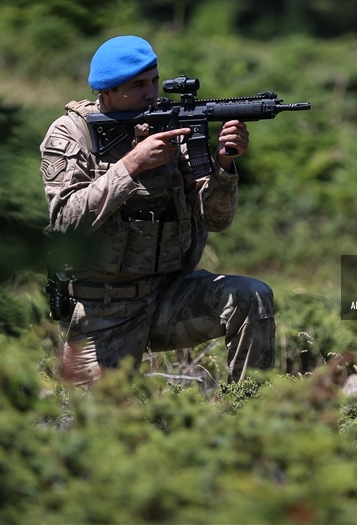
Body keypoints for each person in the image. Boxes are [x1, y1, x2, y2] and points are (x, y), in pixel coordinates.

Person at [40, 35, 275, 385]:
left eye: (153, 81)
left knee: (252, 296)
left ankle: (252, 419)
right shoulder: (73, 134)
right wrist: (131, 164)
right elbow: (65, 221)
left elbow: (216, 219)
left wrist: (224, 165)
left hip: (170, 295)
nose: (151, 94)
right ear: (107, 91)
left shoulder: (170, 125)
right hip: (104, 309)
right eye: (138, 85)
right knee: (94, 427)